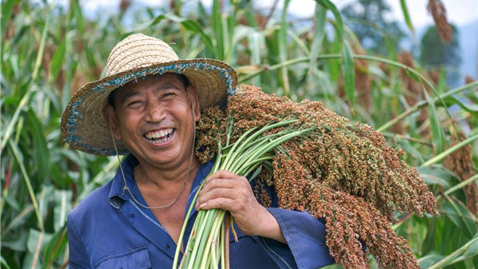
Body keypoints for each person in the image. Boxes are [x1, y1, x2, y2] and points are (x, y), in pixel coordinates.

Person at [62, 33, 335, 269]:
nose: (156, 115)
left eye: (168, 95)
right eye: (135, 103)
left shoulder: (257, 179)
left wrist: (265, 220)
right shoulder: (88, 220)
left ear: (193, 104)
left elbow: (352, 240)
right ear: (114, 123)